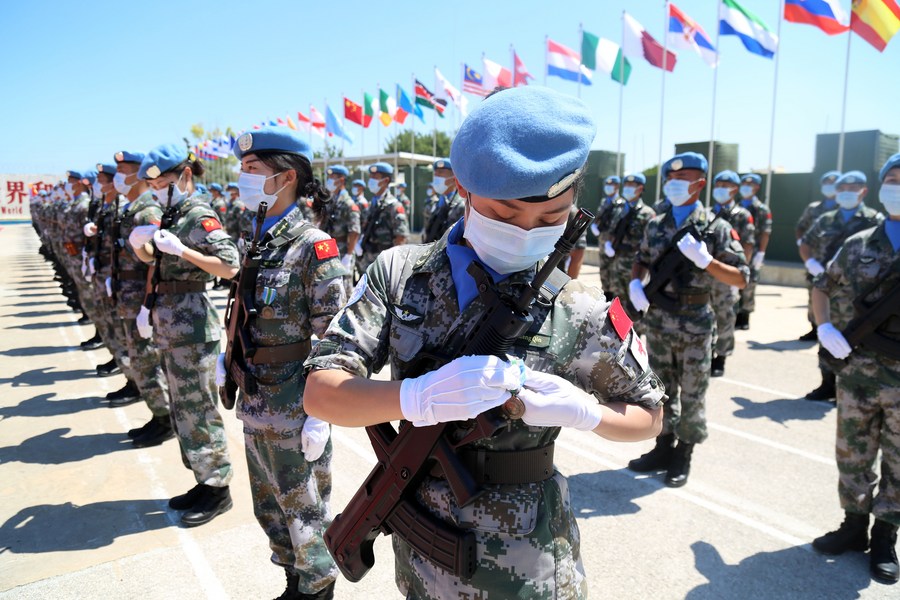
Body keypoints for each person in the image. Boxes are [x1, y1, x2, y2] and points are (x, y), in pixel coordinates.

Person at [304, 86, 665, 599]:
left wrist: (587, 412)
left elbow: (649, 417)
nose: (525, 232)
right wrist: (415, 397)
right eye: (505, 214)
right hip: (423, 552)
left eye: (549, 219)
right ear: (466, 192)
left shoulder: (578, 305)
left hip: (533, 565)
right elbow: (320, 390)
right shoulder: (400, 273)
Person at [223, 128, 347, 599]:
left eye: (252, 170)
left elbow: (335, 335)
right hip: (256, 393)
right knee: (269, 504)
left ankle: (318, 587)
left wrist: (322, 409)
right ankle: (294, 580)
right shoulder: (256, 238)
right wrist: (227, 356)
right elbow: (243, 309)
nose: (242, 178)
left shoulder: (313, 246)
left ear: (285, 176)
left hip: (296, 401)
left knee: (304, 505)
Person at [129, 143, 238, 526]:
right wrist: (141, 249)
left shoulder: (198, 214)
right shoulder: (171, 213)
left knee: (200, 411)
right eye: (154, 185)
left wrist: (184, 252)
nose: (157, 190)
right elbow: (158, 262)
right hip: (170, 324)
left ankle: (218, 488)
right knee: (182, 410)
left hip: (192, 327)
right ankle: (202, 480)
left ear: (185, 175)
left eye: (164, 182)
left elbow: (228, 264)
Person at [627, 152, 749, 487]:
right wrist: (637, 282)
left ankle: (684, 453)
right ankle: (663, 446)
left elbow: (741, 278)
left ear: (700, 183)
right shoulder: (656, 223)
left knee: (693, 391)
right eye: (671, 178)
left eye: (684, 178)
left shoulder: (718, 228)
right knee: (660, 388)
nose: (675, 184)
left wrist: (707, 261)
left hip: (695, 321)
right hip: (661, 320)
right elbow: (642, 258)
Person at [810, 153, 900, 584]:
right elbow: (822, 286)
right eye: (894, 179)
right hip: (860, 370)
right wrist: (824, 325)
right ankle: (853, 526)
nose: (897, 186)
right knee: (853, 452)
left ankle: (885, 537)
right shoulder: (859, 243)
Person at [799, 171, 884, 401]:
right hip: (828, 288)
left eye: (853, 188)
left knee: (857, 339)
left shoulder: (874, 220)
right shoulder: (825, 219)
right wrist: (811, 263)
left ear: (863, 191)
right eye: (843, 188)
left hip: (859, 294)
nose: (847, 192)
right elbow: (805, 242)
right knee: (826, 335)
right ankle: (827, 383)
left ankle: (848, 388)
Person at [110, 149, 174, 447]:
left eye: (123, 170)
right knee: (139, 357)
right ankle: (158, 414)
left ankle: (164, 417)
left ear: (137, 173)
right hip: (127, 293)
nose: (118, 176)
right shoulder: (131, 206)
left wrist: (148, 303)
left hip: (140, 296)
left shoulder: (148, 209)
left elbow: (155, 262)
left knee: (146, 358)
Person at [709, 170, 755, 377]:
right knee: (708, 315)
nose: (720, 188)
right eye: (718, 183)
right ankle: (708, 351)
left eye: (725, 184)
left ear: (734, 189)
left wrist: (739, 271)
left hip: (727, 275)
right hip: (707, 271)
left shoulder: (742, 215)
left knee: (726, 315)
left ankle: (722, 356)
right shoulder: (708, 213)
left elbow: (747, 245)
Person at [796, 171, 841, 341]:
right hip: (817, 260)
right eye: (826, 182)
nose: (829, 185)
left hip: (838, 263)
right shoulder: (814, 208)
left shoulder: (843, 209)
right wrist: (802, 246)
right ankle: (815, 327)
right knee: (814, 293)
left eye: (833, 182)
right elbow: (800, 227)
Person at [601, 173, 656, 302]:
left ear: (640, 189)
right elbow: (612, 230)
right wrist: (609, 243)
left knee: (634, 303)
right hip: (616, 262)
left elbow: (650, 242)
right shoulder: (619, 209)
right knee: (617, 300)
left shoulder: (647, 213)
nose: (627, 188)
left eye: (631, 185)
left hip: (634, 265)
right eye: (626, 185)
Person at [354, 162, 408, 275]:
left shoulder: (394, 206)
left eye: (375, 177)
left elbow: (401, 237)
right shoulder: (373, 204)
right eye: (371, 176)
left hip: (385, 265)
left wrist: (395, 266)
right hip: (367, 261)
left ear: (386, 181)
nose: (371, 180)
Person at [735, 173, 772, 330]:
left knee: (748, 285)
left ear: (757, 187)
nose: (746, 186)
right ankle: (735, 313)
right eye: (744, 183)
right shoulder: (735, 206)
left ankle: (745, 316)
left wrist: (761, 253)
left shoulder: (761, 209)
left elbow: (765, 232)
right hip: (735, 251)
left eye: (750, 184)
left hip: (753, 251)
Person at [320, 165, 361, 294]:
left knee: (344, 288)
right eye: (329, 177)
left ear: (341, 180)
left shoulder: (349, 203)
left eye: (333, 178)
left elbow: (354, 231)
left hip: (343, 249)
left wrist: (348, 255)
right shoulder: (331, 200)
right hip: (328, 247)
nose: (329, 180)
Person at [591, 175, 620, 298]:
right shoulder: (604, 201)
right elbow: (600, 217)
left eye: (611, 185)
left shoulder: (621, 204)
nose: (608, 188)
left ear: (617, 187)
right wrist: (594, 226)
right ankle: (606, 293)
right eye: (607, 185)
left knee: (613, 270)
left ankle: (613, 295)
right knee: (603, 269)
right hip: (602, 240)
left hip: (612, 243)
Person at [422, 158, 464, 243]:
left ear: (453, 179)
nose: (436, 176)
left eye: (440, 173)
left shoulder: (461, 205)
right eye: (435, 173)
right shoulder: (434, 204)